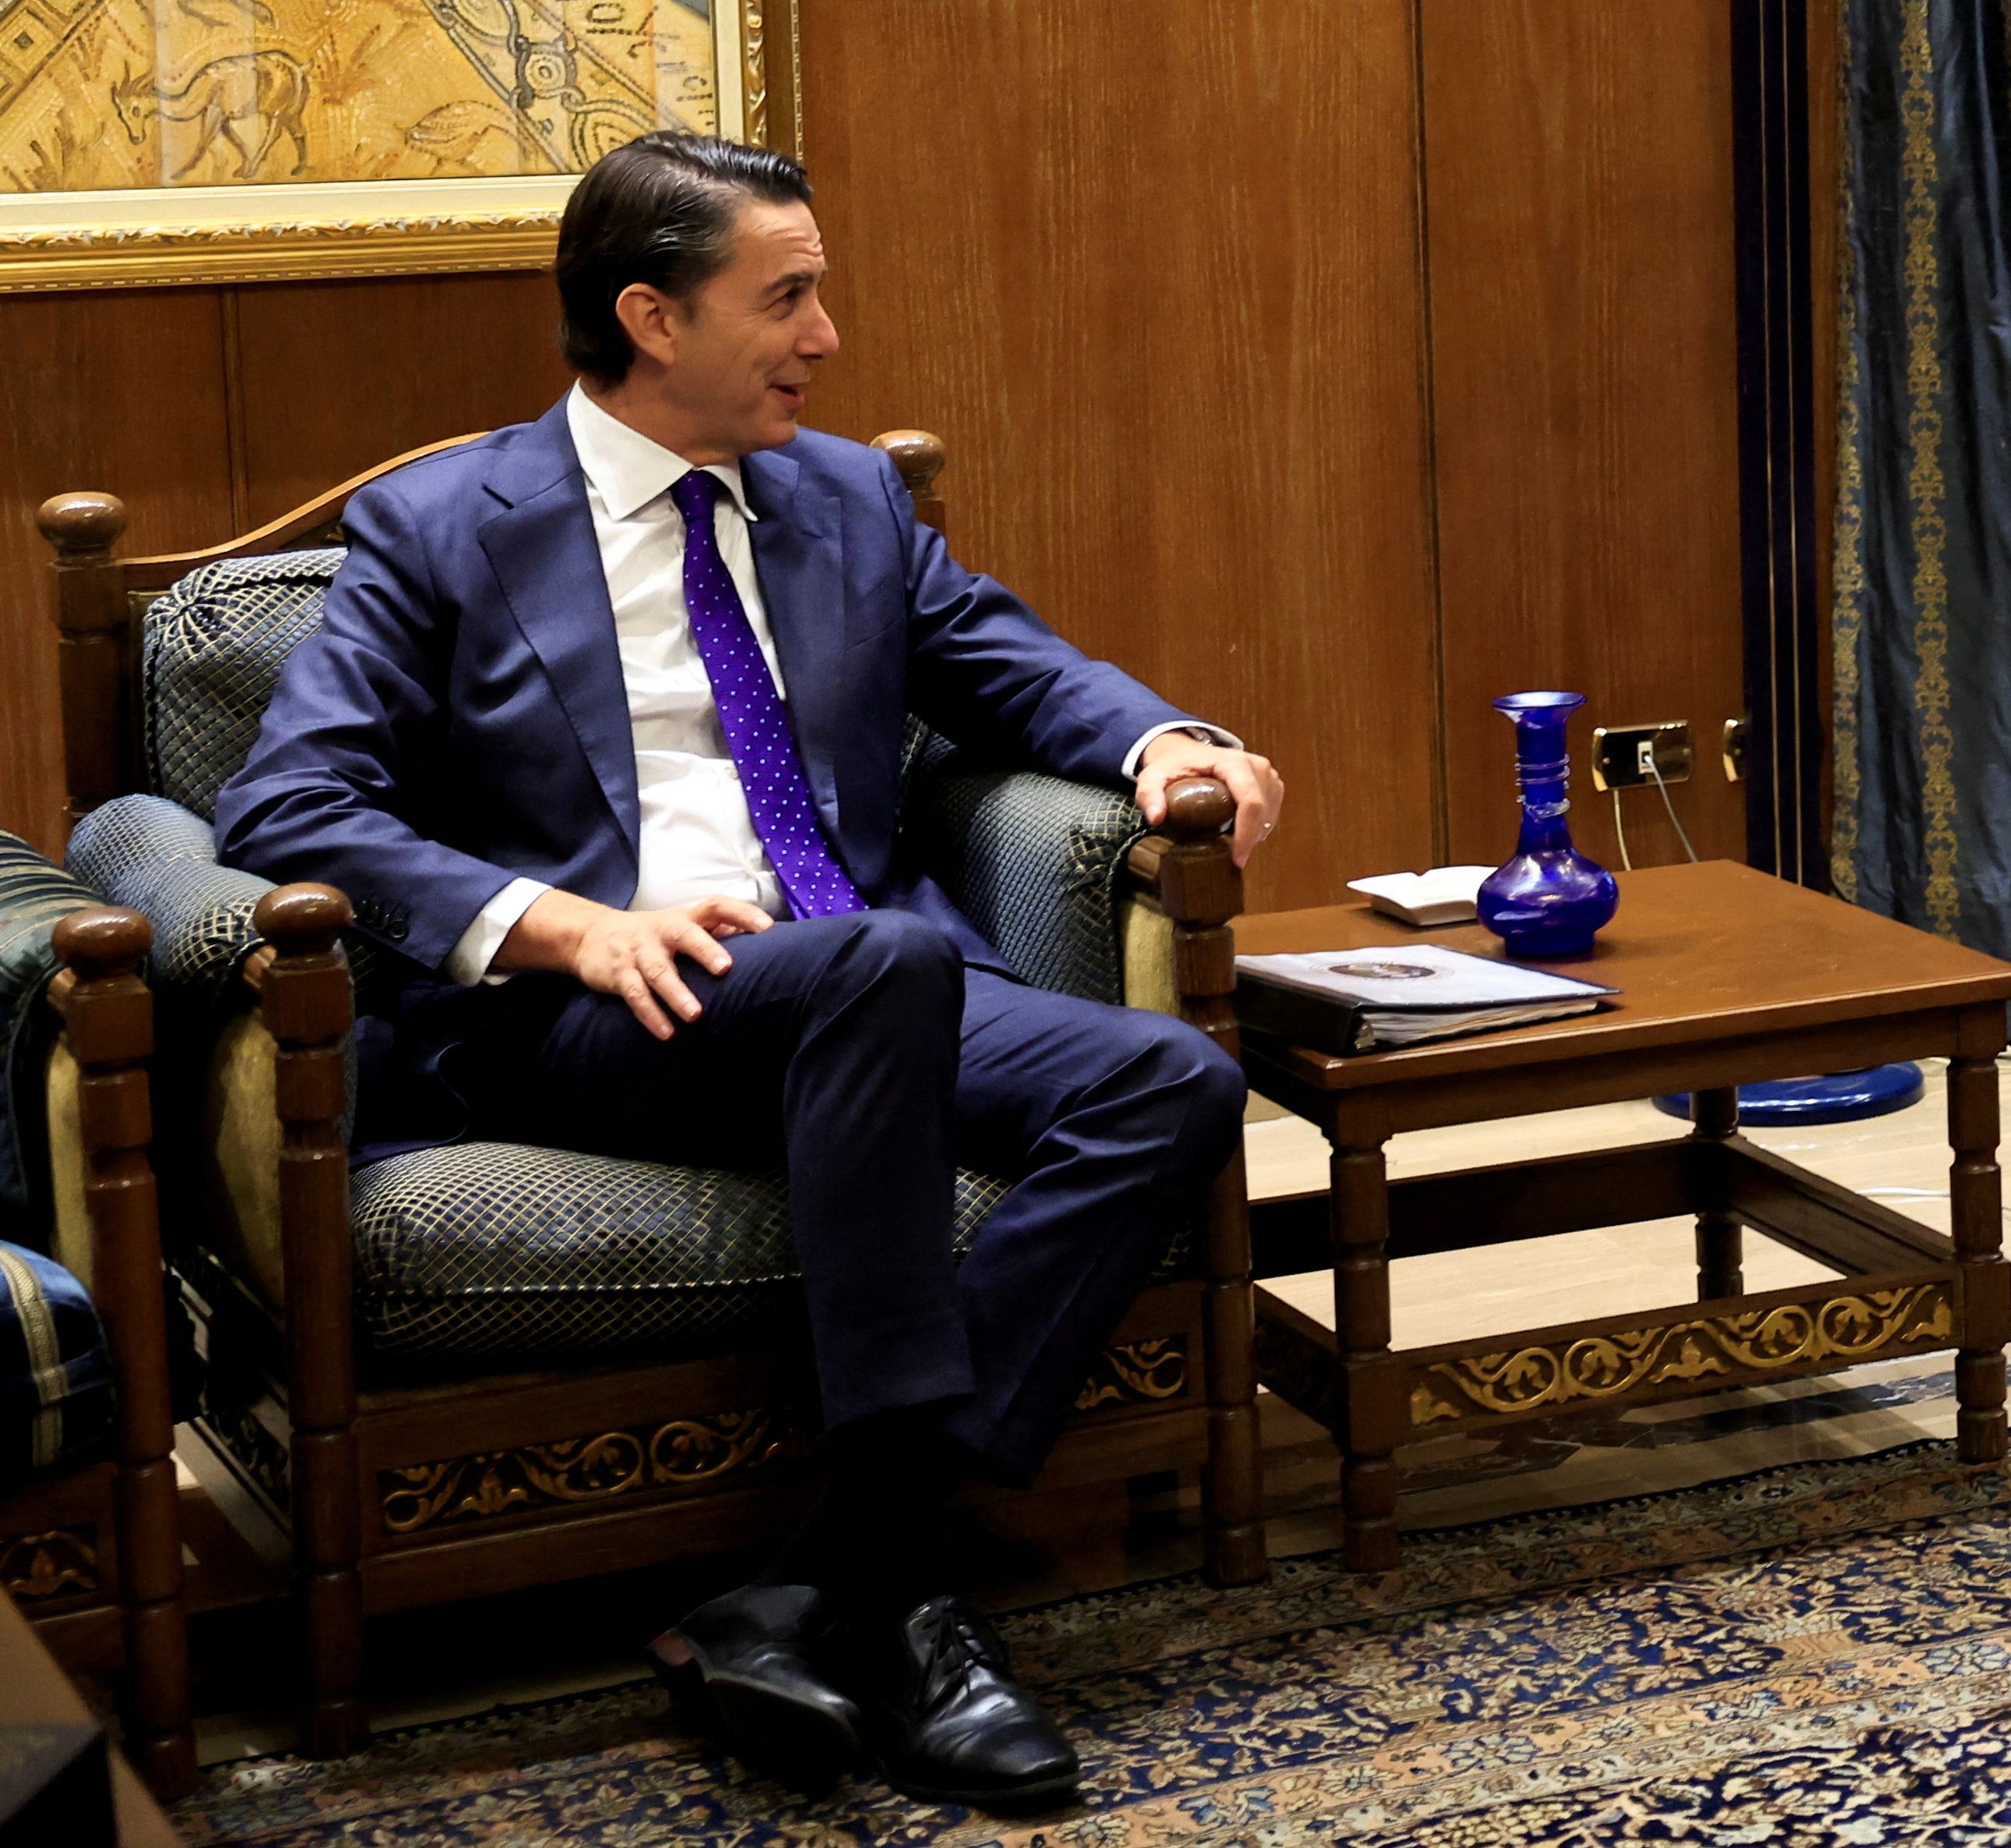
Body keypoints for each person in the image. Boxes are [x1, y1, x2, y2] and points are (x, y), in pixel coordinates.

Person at [214, 131, 1285, 1814]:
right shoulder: (441, 526)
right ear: (652, 316)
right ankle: (915, 1614)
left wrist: (1164, 742)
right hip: (597, 1011)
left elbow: (1007, 666)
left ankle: (842, 1570)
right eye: (786, 299)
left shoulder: (846, 495)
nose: (825, 338)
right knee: (878, 964)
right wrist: (564, 925)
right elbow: (288, 801)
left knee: (1176, 1078)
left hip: (858, 982)